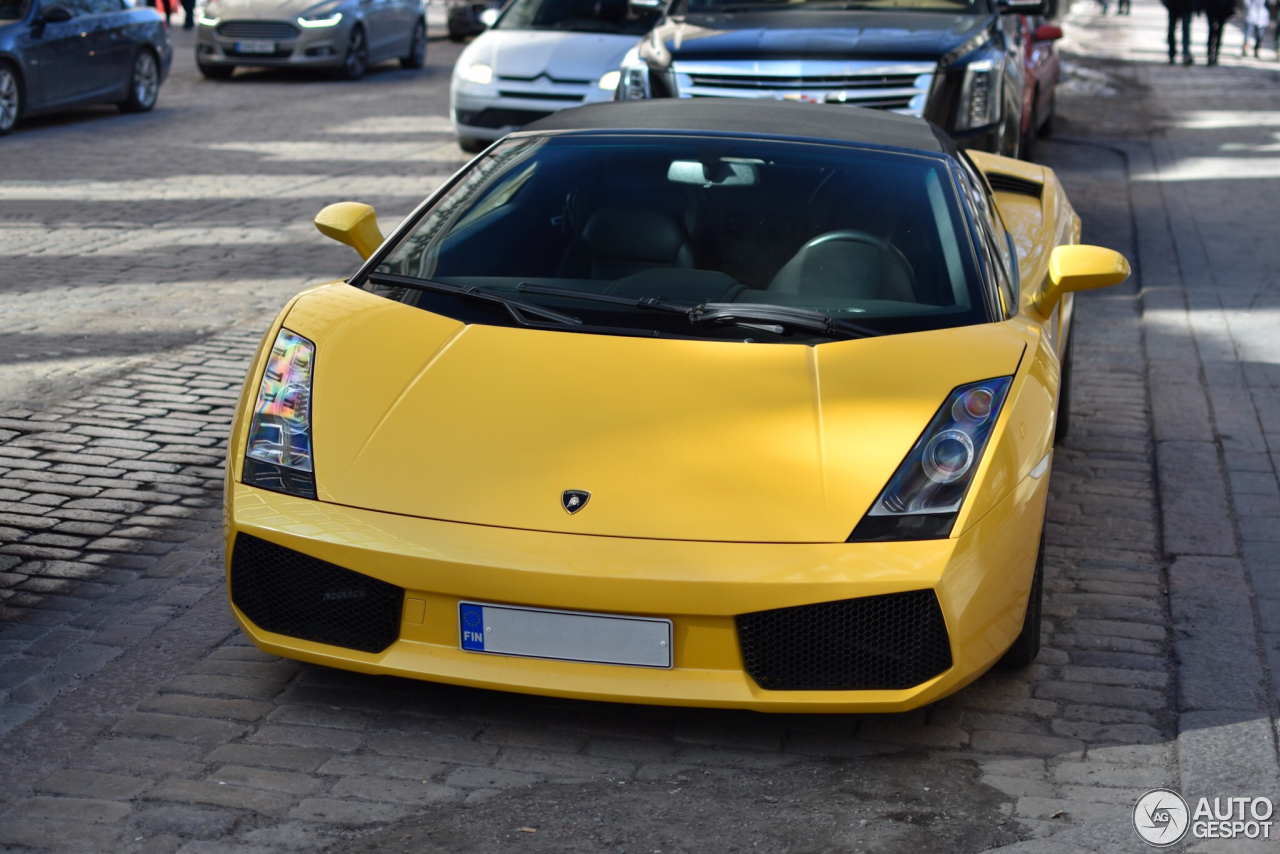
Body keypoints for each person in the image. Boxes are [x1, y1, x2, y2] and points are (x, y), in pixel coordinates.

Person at [1164, 0, 1196, 64]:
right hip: (1173, 6)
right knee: (1172, 30)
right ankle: (1172, 54)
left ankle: (1185, 54)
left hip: (1186, 6)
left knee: (1185, 29)